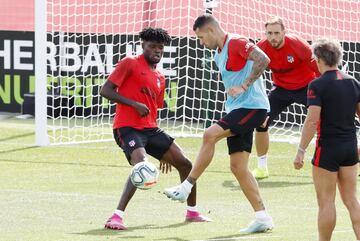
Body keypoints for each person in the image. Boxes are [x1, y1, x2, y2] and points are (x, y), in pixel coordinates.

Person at [163, 14, 274, 233]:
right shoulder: (217, 53)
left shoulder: (236, 42)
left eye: (201, 37)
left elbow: (264, 59)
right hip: (237, 109)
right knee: (238, 167)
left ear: (212, 30)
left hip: (251, 107)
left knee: (209, 134)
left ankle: (187, 186)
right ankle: (263, 218)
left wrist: (244, 86)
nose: (201, 43)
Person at [100, 27, 211, 230]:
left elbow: (152, 111)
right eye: (152, 46)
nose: (157, 50)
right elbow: (105, 90)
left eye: (160, 47)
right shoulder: (130, 63)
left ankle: (192, 212)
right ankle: (116, 217)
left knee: (186, 164)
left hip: (151, 130)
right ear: (143, 45)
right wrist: (133, 104)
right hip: (127, 128)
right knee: (142, 166)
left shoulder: (160, 76)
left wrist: (161, 152)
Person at [294, 38, 360, 241]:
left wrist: (301, 150)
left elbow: (312, 120)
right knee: (351, 200)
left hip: (328, 149)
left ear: (319, 59)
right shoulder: (353, 82)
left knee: (326, 201)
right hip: (350, 147)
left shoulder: (317, 85)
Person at [252, 16, 320, 179]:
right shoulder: (260, 48)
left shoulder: (298, 44)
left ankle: (320, 161)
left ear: (284, 32)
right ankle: (262, 168)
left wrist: (326, 92)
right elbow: (250, 71)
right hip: (281, 89)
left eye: (276, 33)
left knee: (323, 123)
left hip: (307, 87)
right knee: (261, 121)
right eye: (269, 33)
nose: (273, 37)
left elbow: (319, 68)